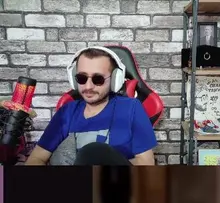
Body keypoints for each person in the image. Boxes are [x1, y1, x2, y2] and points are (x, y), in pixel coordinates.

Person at [24, 47, 156, 166]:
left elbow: (146, 163)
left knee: (94, 151)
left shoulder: (131, 109)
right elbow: (36, 158)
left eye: (98, 79)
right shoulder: (66, 113)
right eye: (82, 78)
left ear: (115, 79)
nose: (88, 86)